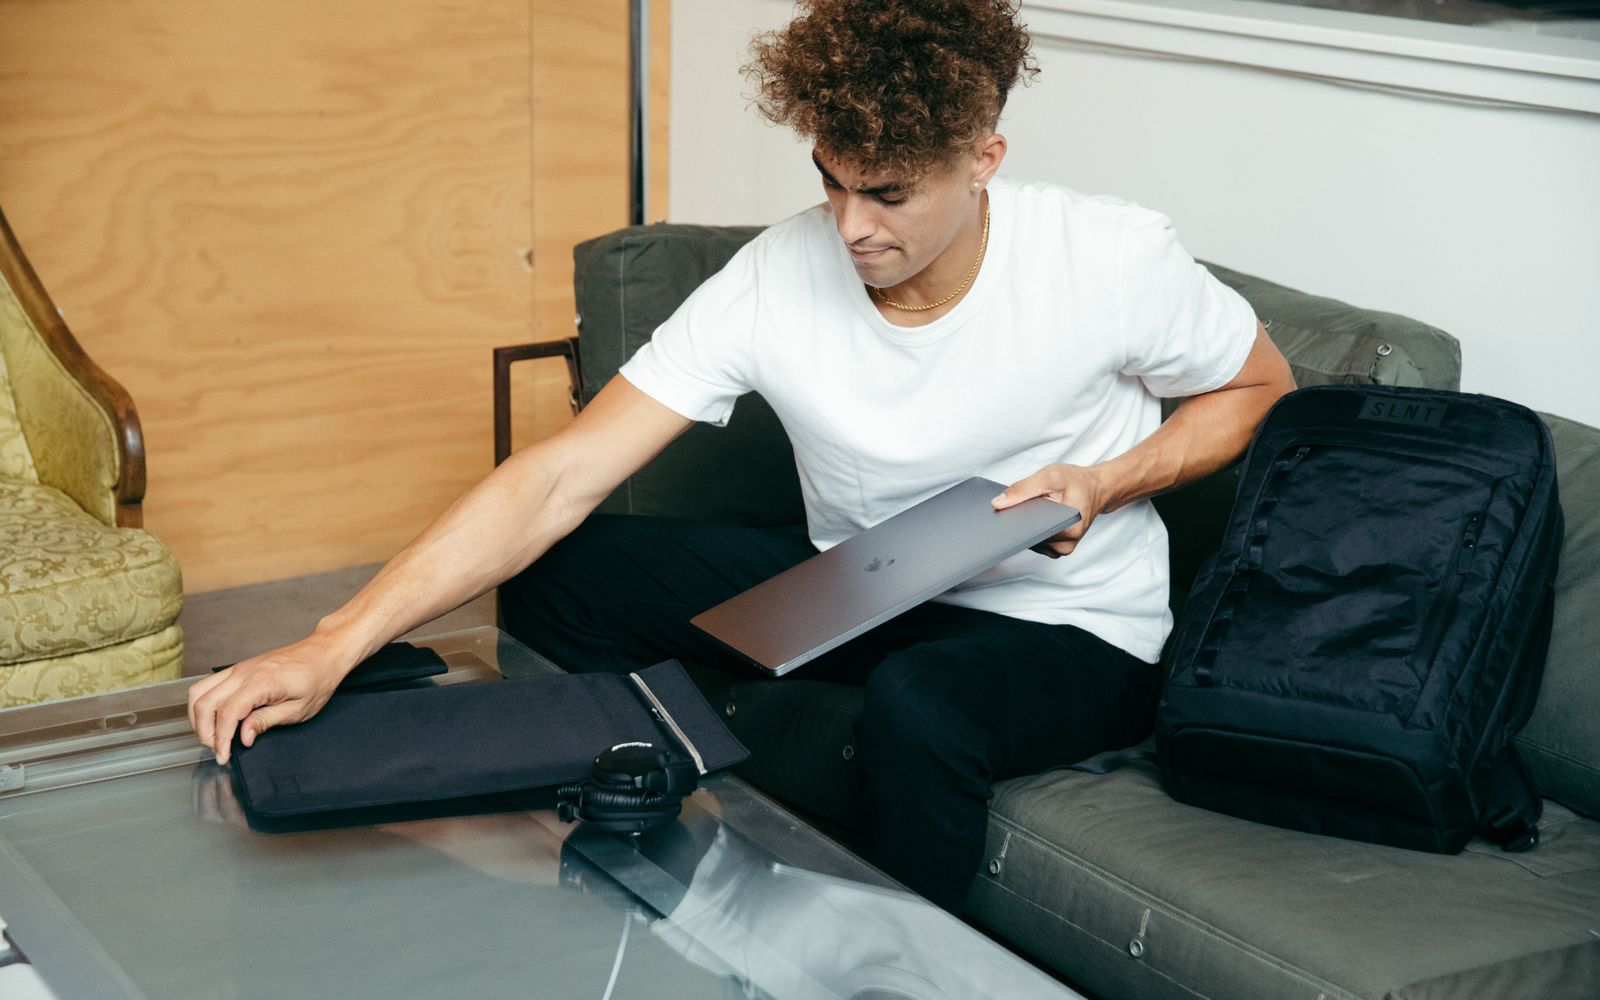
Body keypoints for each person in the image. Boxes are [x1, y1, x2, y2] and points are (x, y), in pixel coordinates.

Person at [188, 0, 1295, 913]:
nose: (851, 225)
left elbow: (1259, 389)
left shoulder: (1105, 257)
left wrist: (1107, 481)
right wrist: (329, 645)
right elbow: (562, 475)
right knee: (564, 570)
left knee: (923, 706)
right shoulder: (780, 274)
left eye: (890, 193)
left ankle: (898, 975)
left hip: (1066, 621)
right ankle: (611, 837)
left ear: (982, 159)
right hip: (859, 587)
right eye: (831, 179)